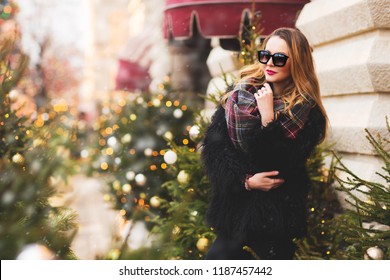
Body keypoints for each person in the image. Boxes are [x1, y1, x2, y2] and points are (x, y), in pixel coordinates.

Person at [201, 27, 328, 260]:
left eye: (279, 58)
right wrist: (246, 181)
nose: (269, 63)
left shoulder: (308, 112)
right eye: (265, 55)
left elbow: (283, 164)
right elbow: (214, 149)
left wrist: (268, 119)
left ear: (297, 63)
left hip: (274, 217)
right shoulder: (239, 94)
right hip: (235, 212)